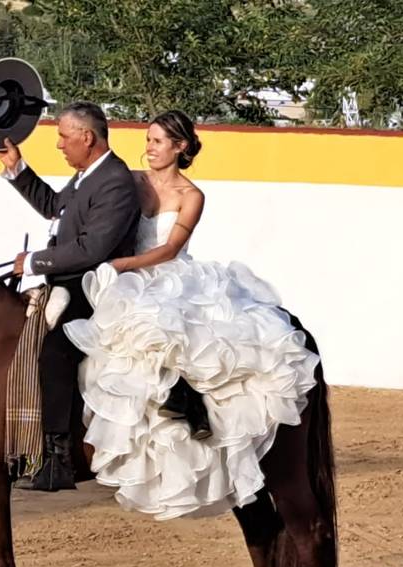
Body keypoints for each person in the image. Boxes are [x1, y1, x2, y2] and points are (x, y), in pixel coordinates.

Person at [63, 110, 320, 519]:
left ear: (180, 147)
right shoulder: (130, 180)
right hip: (124, 274)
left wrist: (124, 265)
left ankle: (191, 410)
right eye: (147, 140)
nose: (148, 148)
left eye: (158, 141)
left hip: (167, 274)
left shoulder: (191, 195)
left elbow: (167, 250)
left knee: (170, 329)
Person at [0, 100, 140, 492]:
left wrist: (34, 262)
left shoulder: (115, 181)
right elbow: (54, 208)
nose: (59, 145)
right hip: (70, 279)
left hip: (94, 286)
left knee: (56, 349)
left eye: (63, 136)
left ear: (86, 137)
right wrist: (17, 167)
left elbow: (93, 249)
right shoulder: (88, 176)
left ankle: (57, 457)